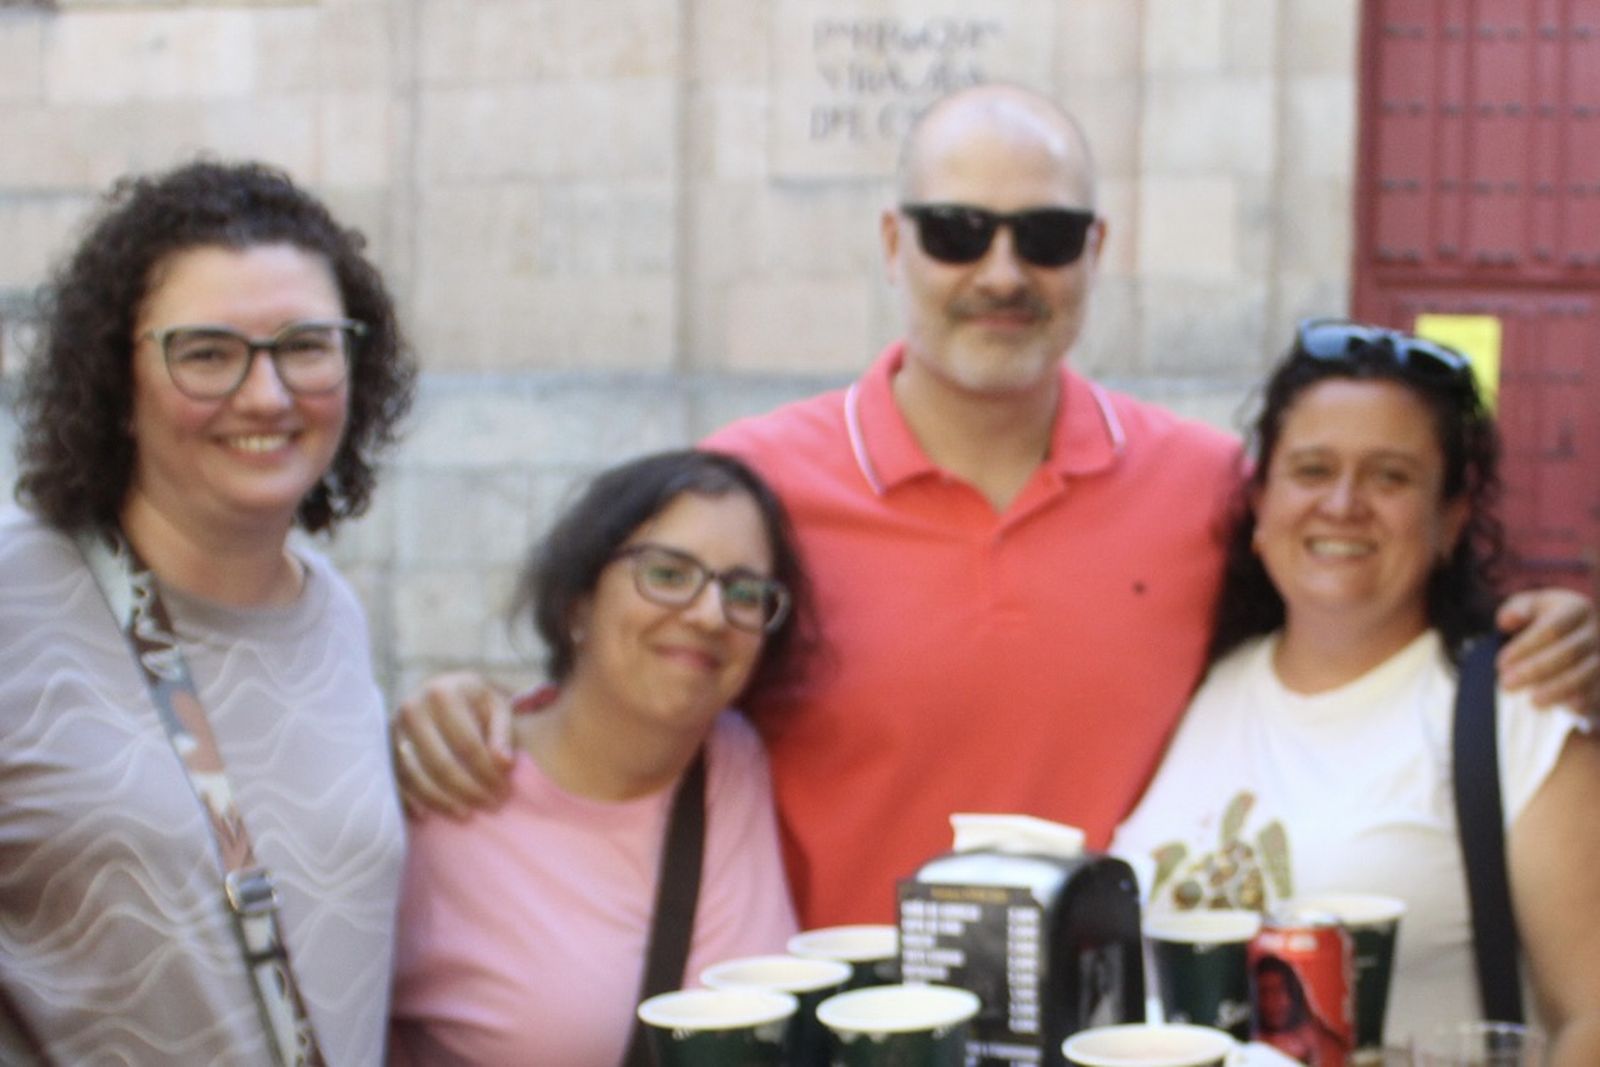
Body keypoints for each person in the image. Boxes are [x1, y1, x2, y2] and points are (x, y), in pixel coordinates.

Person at [391, 84, 1600, 930]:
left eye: (1048, 234)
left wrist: (1532, 633)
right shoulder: (754, 488)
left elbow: (1356, 584)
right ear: (893, 243)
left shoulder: (1205, 487)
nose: (1003, 272)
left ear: (1094, 249)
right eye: (958, 231)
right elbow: (636, 689)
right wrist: (478, 715)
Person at [0, 160, 415, 1064]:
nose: (265, 395)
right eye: (206, 351)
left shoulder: (333, 615)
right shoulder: (14, 593)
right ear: (118, 377)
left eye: (305, 344)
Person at [1112, 321, 1600, 1064]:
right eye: (1311, 469)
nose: (1343, 503)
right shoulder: (1209, 677)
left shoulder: (1518, 709)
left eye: (1390, 476)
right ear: (1262, 503)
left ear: (1451, 521)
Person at [388, 450, 811, 1066]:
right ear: (577, 602)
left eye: (744, 592)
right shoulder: (441, 797)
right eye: (668, 574)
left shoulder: (739, 758)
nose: (709, 614)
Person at [1250, 956, 1346, 1066]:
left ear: (1293, 993)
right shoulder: (1251, 1045)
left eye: (1277, 991)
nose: (1271, 1002)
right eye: (1264, 992)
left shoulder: (1314, 1034)